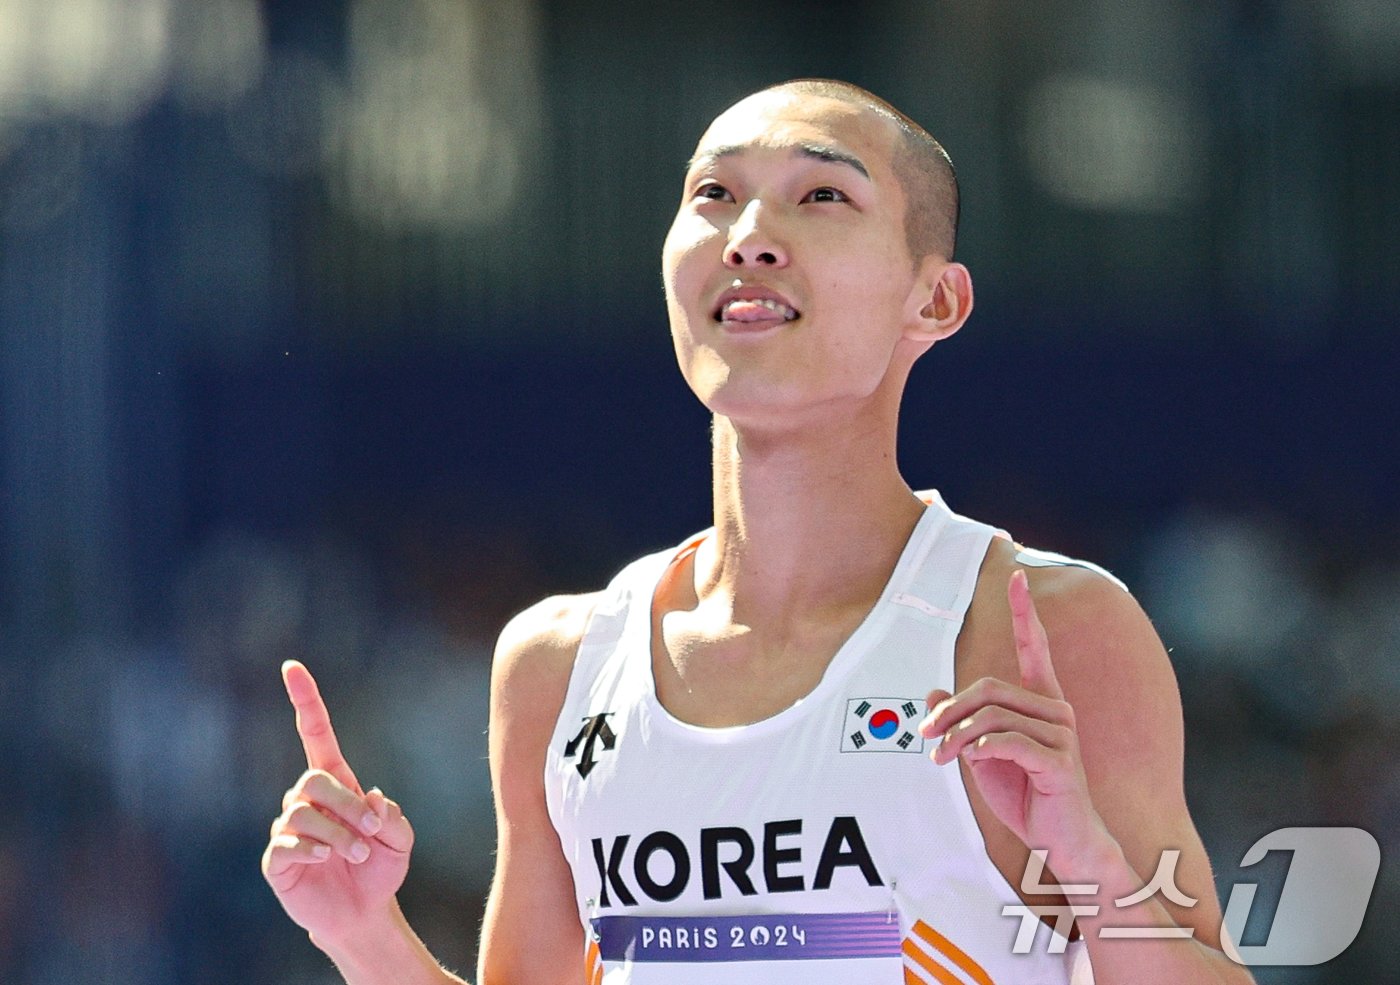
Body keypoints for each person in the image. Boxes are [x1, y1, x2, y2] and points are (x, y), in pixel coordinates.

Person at [262, 79, 1257, 985]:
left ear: (934, 298)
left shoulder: (1043, 630)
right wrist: (364, 936)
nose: (747, 234)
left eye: (821, 196)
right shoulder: (555, 665)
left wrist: (1087, 861)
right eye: (711, 194)